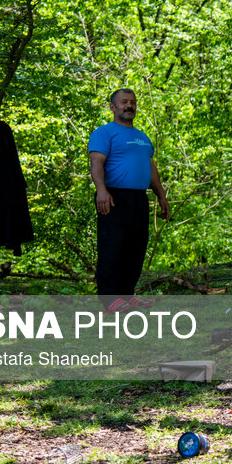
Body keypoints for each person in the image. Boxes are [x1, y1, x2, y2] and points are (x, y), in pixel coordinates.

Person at [88, 88, 169, 313]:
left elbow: (151, 169)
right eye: (124, 102)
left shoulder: (142, 137)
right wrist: (101, 190)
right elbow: (97, 163)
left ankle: (127, 293)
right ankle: (109, 298)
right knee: (112, 246)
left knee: (136, 247)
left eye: (132, 102)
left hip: (138, 198)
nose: (129, 106)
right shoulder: (104, 133)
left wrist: (161, 196)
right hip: (113, 196)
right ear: (113, 107)